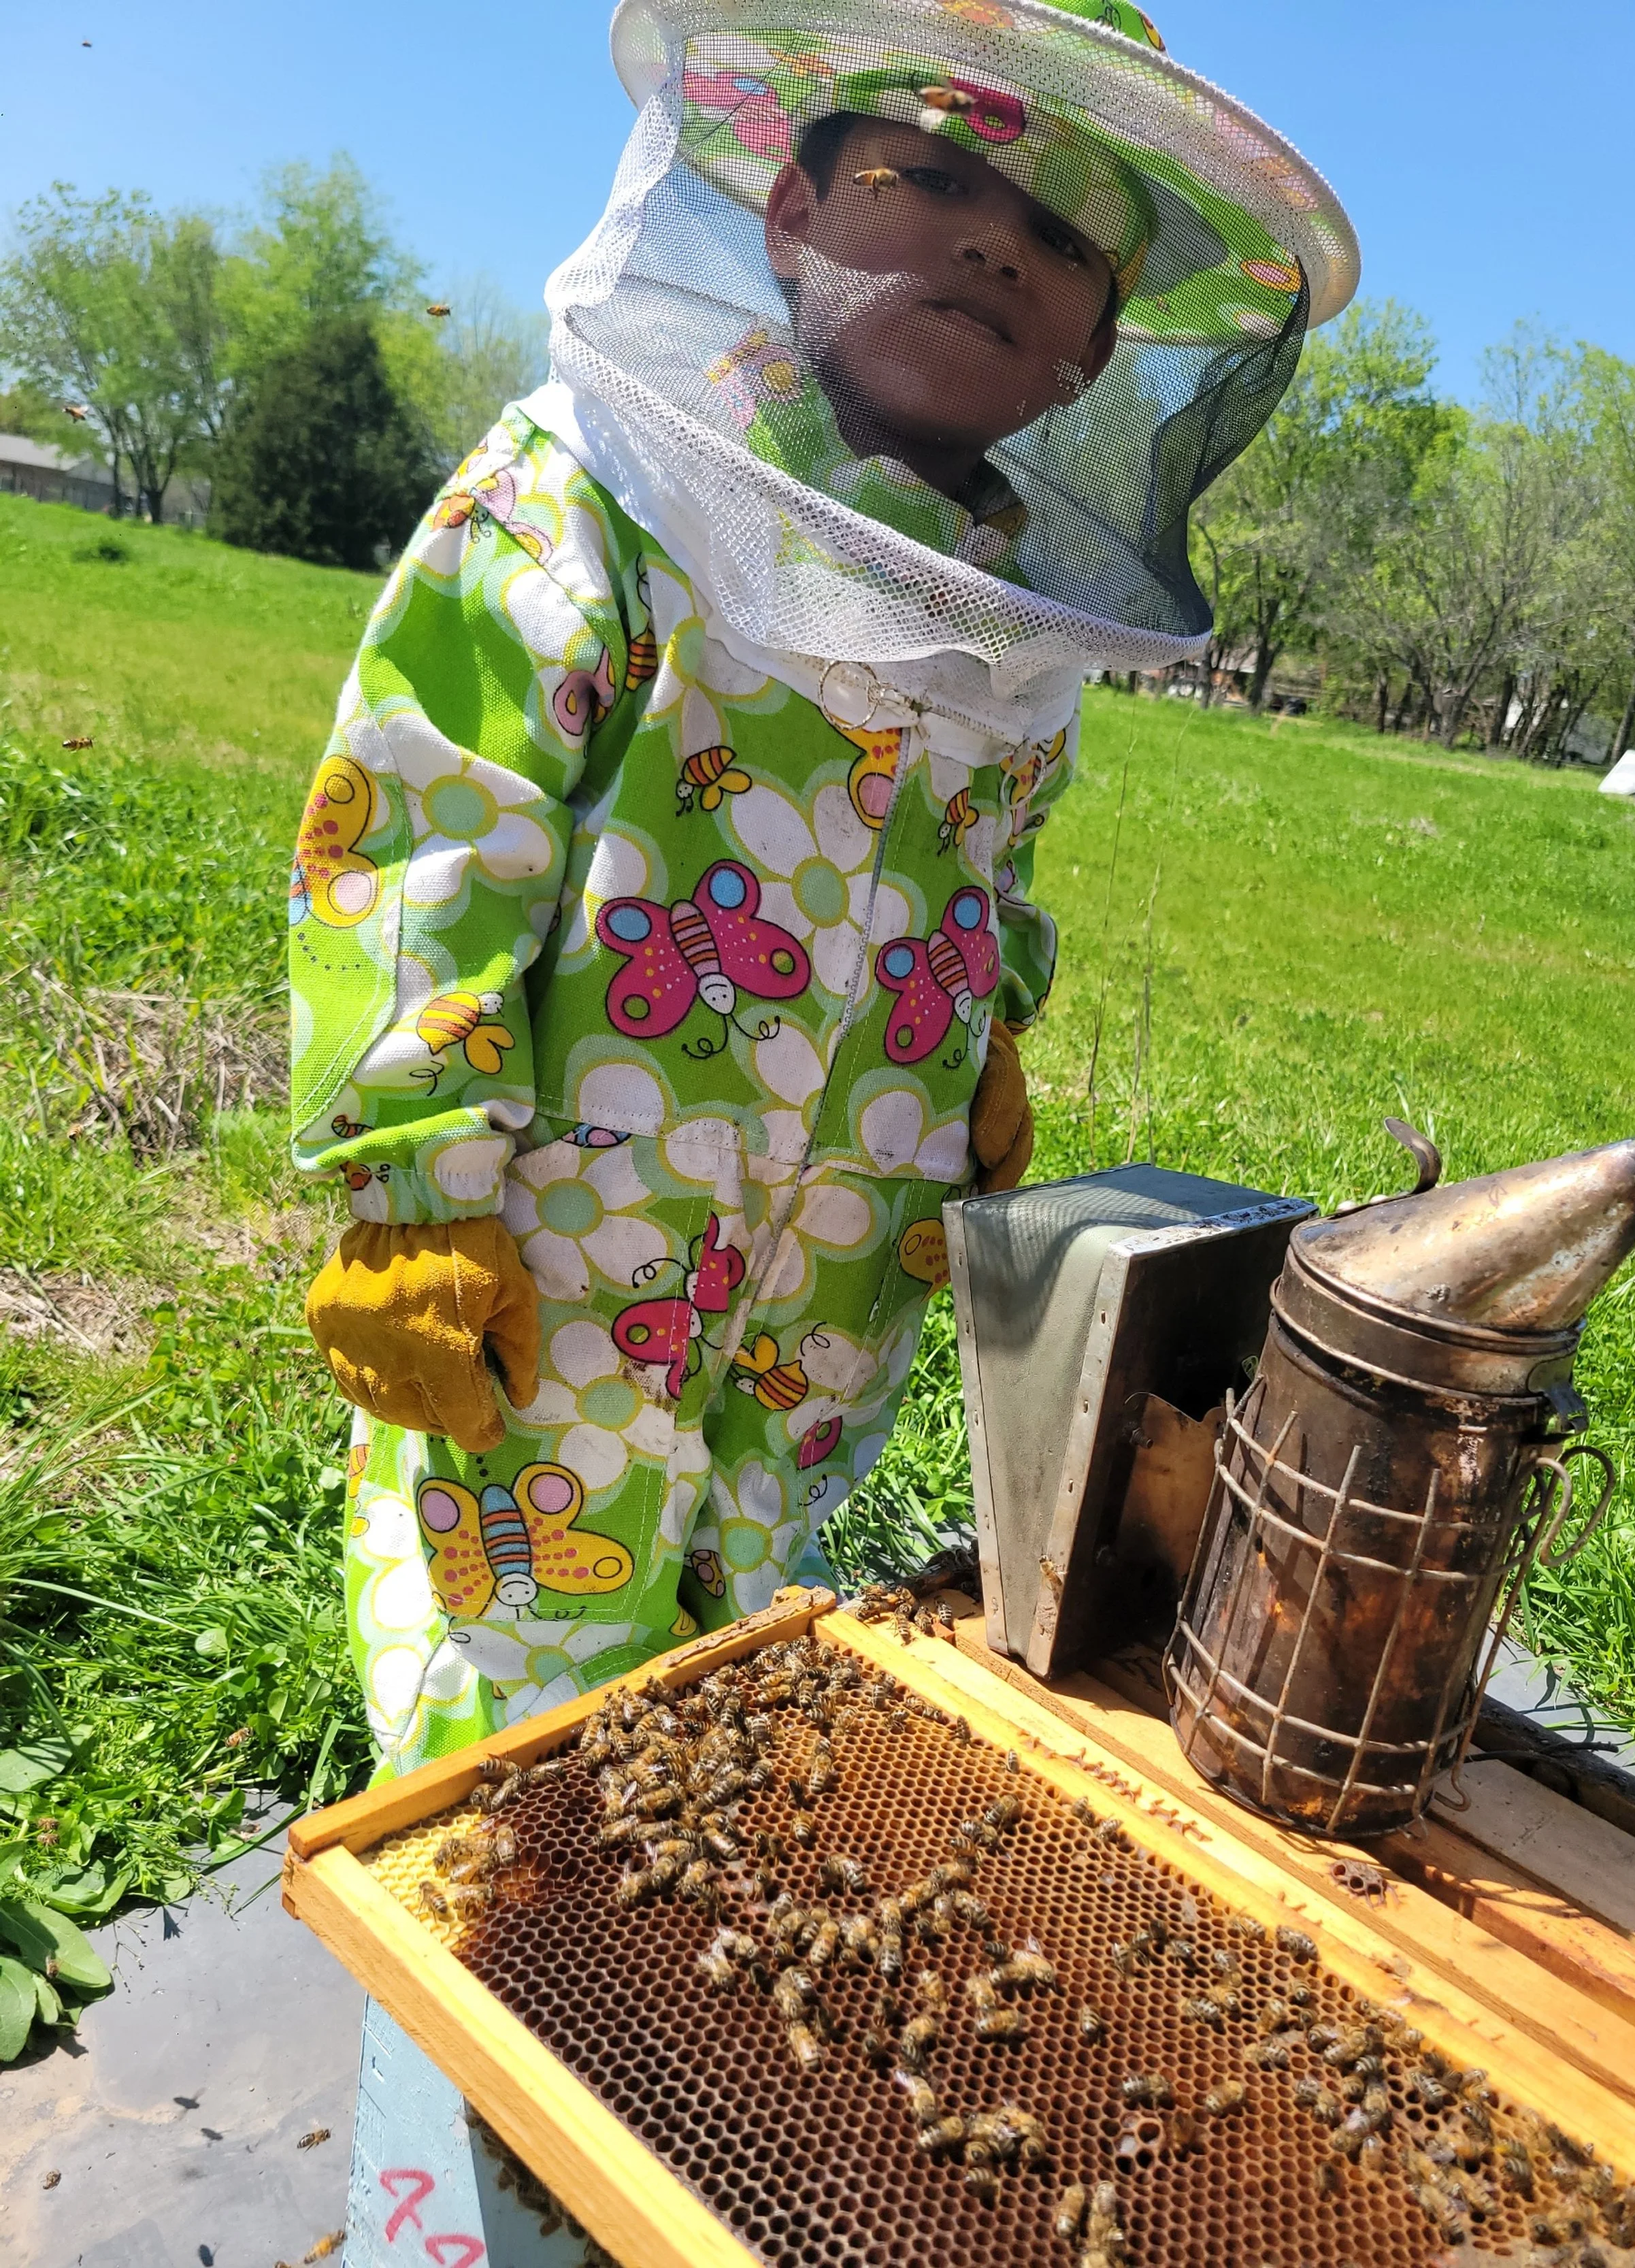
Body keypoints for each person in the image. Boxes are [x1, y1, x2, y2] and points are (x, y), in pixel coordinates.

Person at [291, 0, 1359, 1780]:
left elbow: (991, 867)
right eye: (927, 171)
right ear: (783, 214)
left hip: (843, 1261)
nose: (985, 239)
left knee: (754, 1616)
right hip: (563, 1245)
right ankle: (493, 1960)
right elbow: (423, 820)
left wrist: (989, 1034)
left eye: (1056, 237)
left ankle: (688, 1881)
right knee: (522, 1638)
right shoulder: (590, 492)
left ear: (1093, 355)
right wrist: (412, 1173)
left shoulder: (1010, 631)